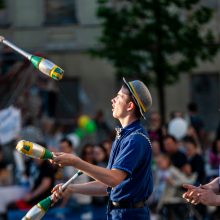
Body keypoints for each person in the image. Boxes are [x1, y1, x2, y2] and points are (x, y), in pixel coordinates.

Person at [52, 78, 153, 220]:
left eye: (119, 97)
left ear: (130, 106)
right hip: (117, 213)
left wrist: (76, 162)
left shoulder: (135, 140)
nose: (113, 100)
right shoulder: (124, 136)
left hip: (130, 216)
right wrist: (71, 188)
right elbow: (106, 184)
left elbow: (113, 179)